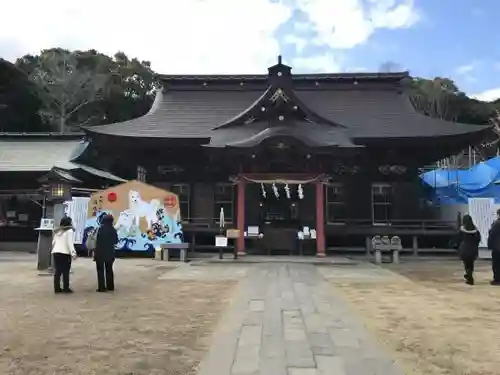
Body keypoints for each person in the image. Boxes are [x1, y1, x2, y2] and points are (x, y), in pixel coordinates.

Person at [51, 216, 77, 293]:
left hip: (56, 252)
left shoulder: (57, 231)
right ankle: (66, 288)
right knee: (66, 271)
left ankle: (57, 288)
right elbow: (70, 243)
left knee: (57, 271)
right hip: (65, 253)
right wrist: (73, 253)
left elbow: (53, 242)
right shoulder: (69, 231)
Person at [94, 214, 118, 292]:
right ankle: (110, 286)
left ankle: (101, 287)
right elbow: (116, 241)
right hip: (110, 252)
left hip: (99, 252)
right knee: (109, 269)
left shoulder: (100, 229)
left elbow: (96, 241)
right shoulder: (113, 230)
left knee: (100, 270)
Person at [456, 214, 481, 285]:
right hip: (473, 249)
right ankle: (469, 275)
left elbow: (458, 239)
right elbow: (478, 239)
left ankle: (469, 276)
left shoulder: (462, 230)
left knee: (466, 264)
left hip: (464, 249)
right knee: (471, 263)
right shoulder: (475, 230)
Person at [488, 209, 500, 285]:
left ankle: (497, 280)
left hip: (497, 247)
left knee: (496, 264)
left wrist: (490, 245)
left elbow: (492, 235)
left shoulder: (496, 223)